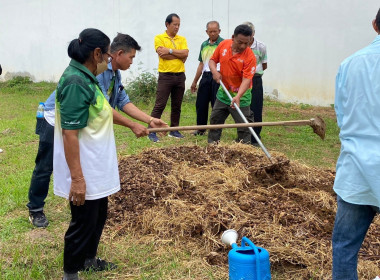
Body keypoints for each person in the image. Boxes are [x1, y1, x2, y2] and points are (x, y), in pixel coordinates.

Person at [26, 33, 167, 229]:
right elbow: (103, 108)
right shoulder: (96, 69)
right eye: (131, 57)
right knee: (46, 164)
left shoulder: (115, 74)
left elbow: (123, 102)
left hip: (79, 121)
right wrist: (132, 125)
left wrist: (150, 120)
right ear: (117, 54)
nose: (132, 62)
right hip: (54, 118)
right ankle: (35, 209)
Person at [332, 9, 380, 280]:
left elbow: (341, 112)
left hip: (356, 171)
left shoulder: (350, 63)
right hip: (359, 169)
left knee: (345, 247)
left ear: (374, 25)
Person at [207, 24, 256, 144]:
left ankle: (243, 148)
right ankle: (213, 146)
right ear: (233, 37)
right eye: (240, 42)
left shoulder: (250, 57)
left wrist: (238, 96)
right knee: (215, 120)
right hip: (223, 93)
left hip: (242, 96)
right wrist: (214, 72)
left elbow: (247, 79)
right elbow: (212, 60)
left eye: (247, 43)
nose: (243, 46)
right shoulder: (223, 45)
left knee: (244, 125)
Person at [148, 13, 189, 142]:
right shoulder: (159, 38)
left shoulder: (182, 39)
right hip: (166, 76)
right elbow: (162, 54)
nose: (177, 27)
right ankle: (152, 131)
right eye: (174, 24)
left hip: (180, 76)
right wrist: (179, 55)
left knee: (177, 105)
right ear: (167, 24)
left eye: (179, 25)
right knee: (160, 104)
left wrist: (170, 51)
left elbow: (186, 54)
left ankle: (174, 130)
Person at [190, 21, 224, 136]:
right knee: (201, 103)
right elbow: (201, 64)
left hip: (218, 76)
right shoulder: (204, 44)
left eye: (215, 31)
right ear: (206, 32)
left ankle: (215, 130)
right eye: (210, 32)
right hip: (205, 76)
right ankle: (201, 129)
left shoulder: (224, 44)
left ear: (219, 31)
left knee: (216, 105)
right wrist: (195, 81)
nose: (213, 33)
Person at [243, 22, 267, 146]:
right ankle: (243, 136)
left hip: (256, 79)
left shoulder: (261, 46)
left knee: (256, 107)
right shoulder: (240, 45)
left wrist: (253, 73)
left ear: (253, 33)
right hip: (242, 80)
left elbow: (264, 64)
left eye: (249, 33)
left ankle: (255, 137)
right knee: (243, 107)